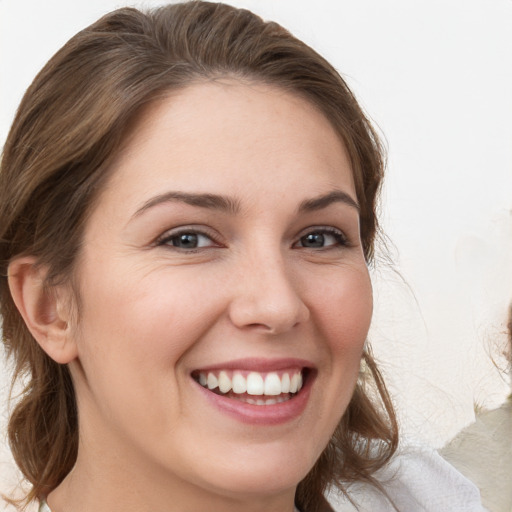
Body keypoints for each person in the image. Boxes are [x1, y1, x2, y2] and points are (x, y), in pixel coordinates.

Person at [0, 2, 484, 511]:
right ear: (49, 307)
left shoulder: (429, 499)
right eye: (187, 239)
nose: (277, 305)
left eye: (317, 238)